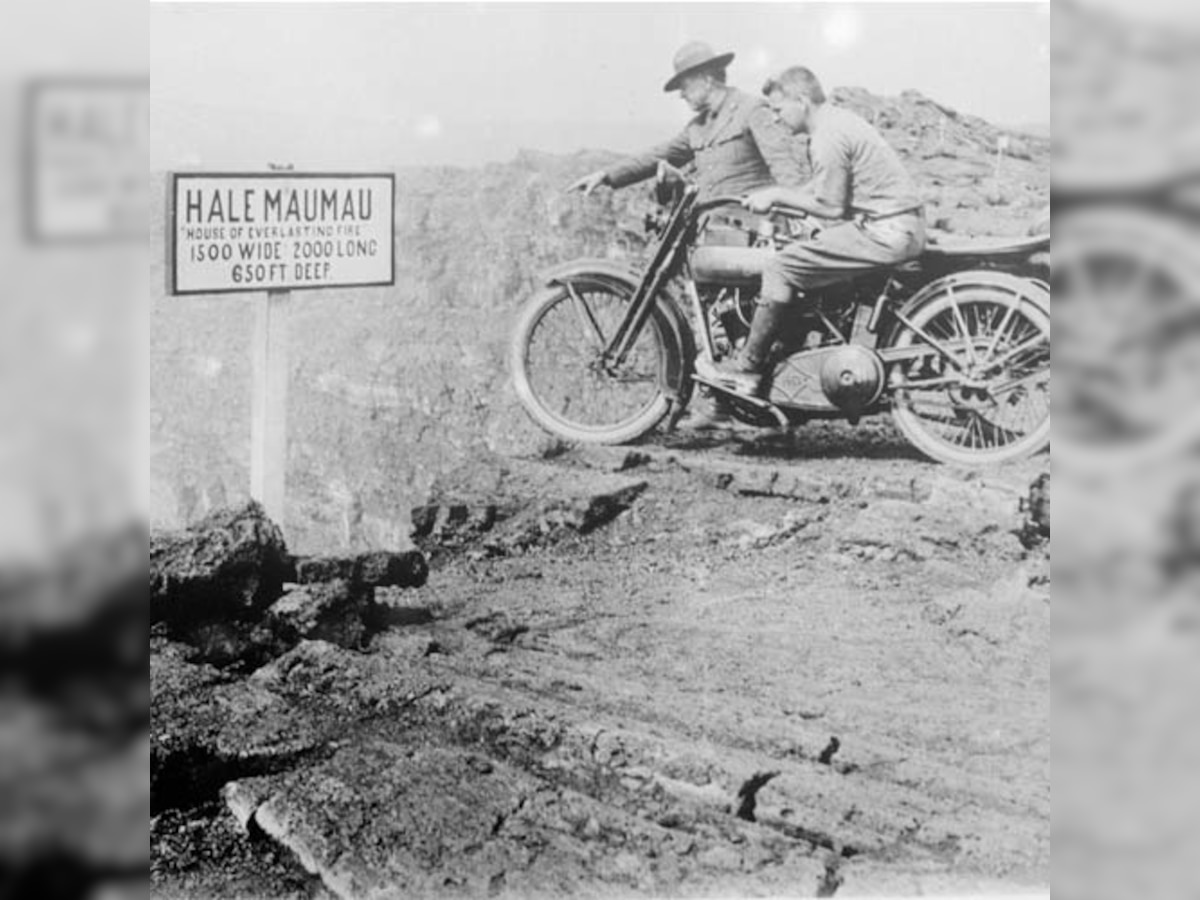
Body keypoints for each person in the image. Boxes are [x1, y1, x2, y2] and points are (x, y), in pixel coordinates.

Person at [694, 66, 927, 399]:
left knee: (780, 266)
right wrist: (787, 204)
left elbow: (831, 207)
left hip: (884, 231)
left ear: (801, 101)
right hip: (899, 225)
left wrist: (776, 195)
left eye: (778, 110)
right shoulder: (838, 122)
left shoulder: (826, 137)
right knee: (806, 250)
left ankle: (747, 369)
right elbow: (821, 189)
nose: (775, 119)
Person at [568, 41, 805, 202]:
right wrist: (606, 174)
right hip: (712, 234)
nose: (681, 94)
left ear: (706, 79)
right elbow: (657, 155)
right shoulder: (697, 128)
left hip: (752, 235)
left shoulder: (751, 109)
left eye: (684, 86)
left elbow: (788, 173)